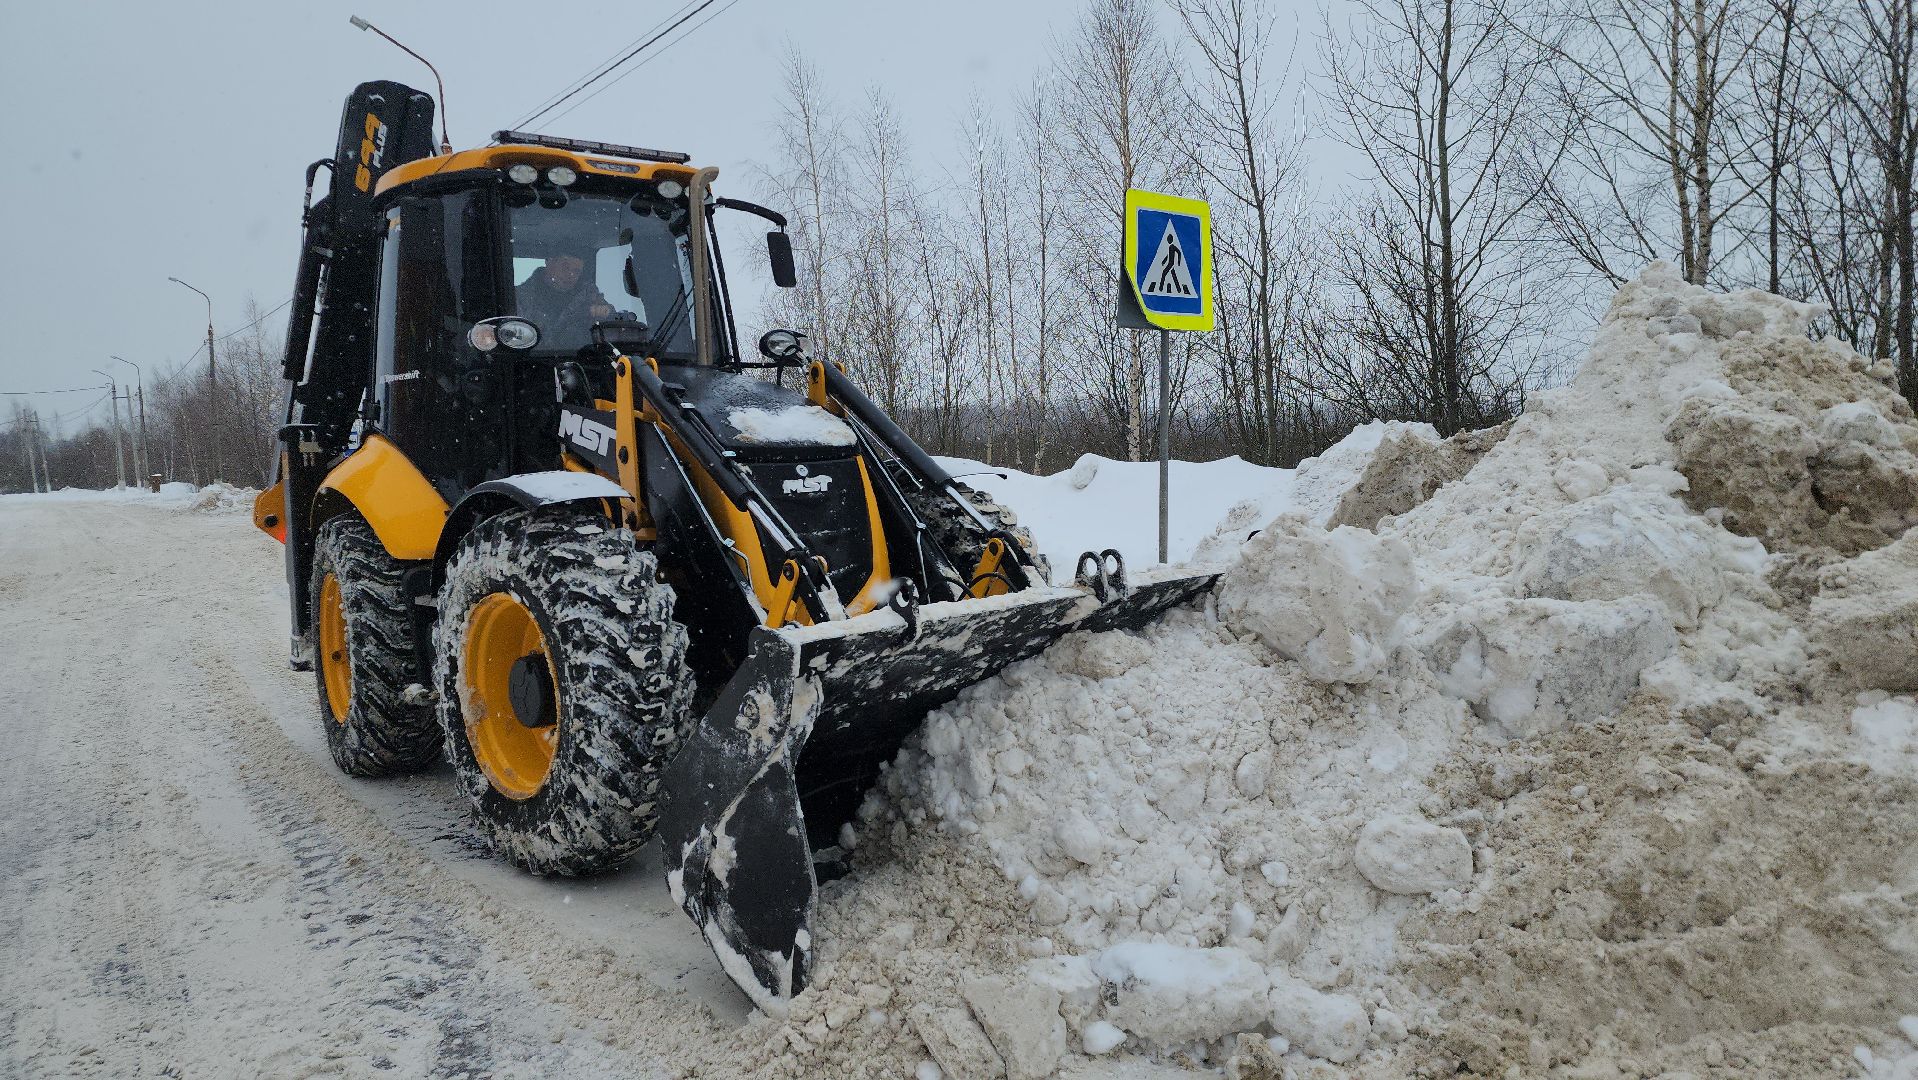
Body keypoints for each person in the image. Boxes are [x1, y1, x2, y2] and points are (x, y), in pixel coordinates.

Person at [515, 253, 613, 339]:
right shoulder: (519, 297)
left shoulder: (589, 295)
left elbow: (613, 319)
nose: (570, 274)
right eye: (565, 268)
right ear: (549, 262)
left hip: (580, 356)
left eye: (576, 271)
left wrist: (605, 311)